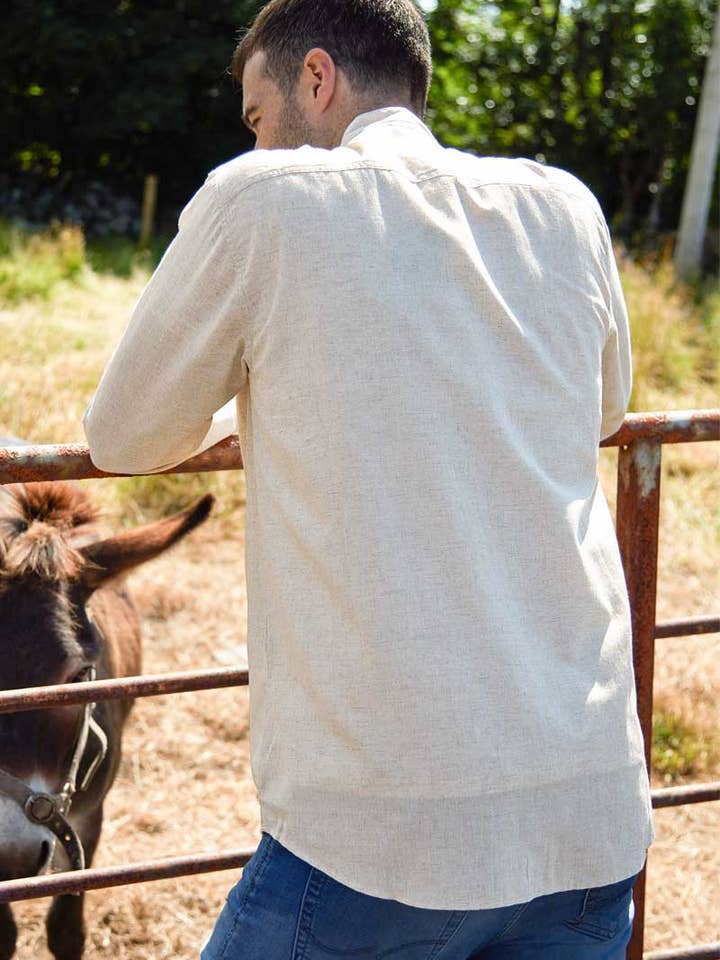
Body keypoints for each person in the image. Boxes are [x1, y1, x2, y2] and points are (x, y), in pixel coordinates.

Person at [83, 0, 655, 956]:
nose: (255, 141)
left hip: (381, 837)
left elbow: (121, 433)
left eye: (257, 116)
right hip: (587, 812)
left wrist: (247, 397)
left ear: (317, 78)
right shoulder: (564, 206)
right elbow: (602, 410)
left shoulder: (263, 199)